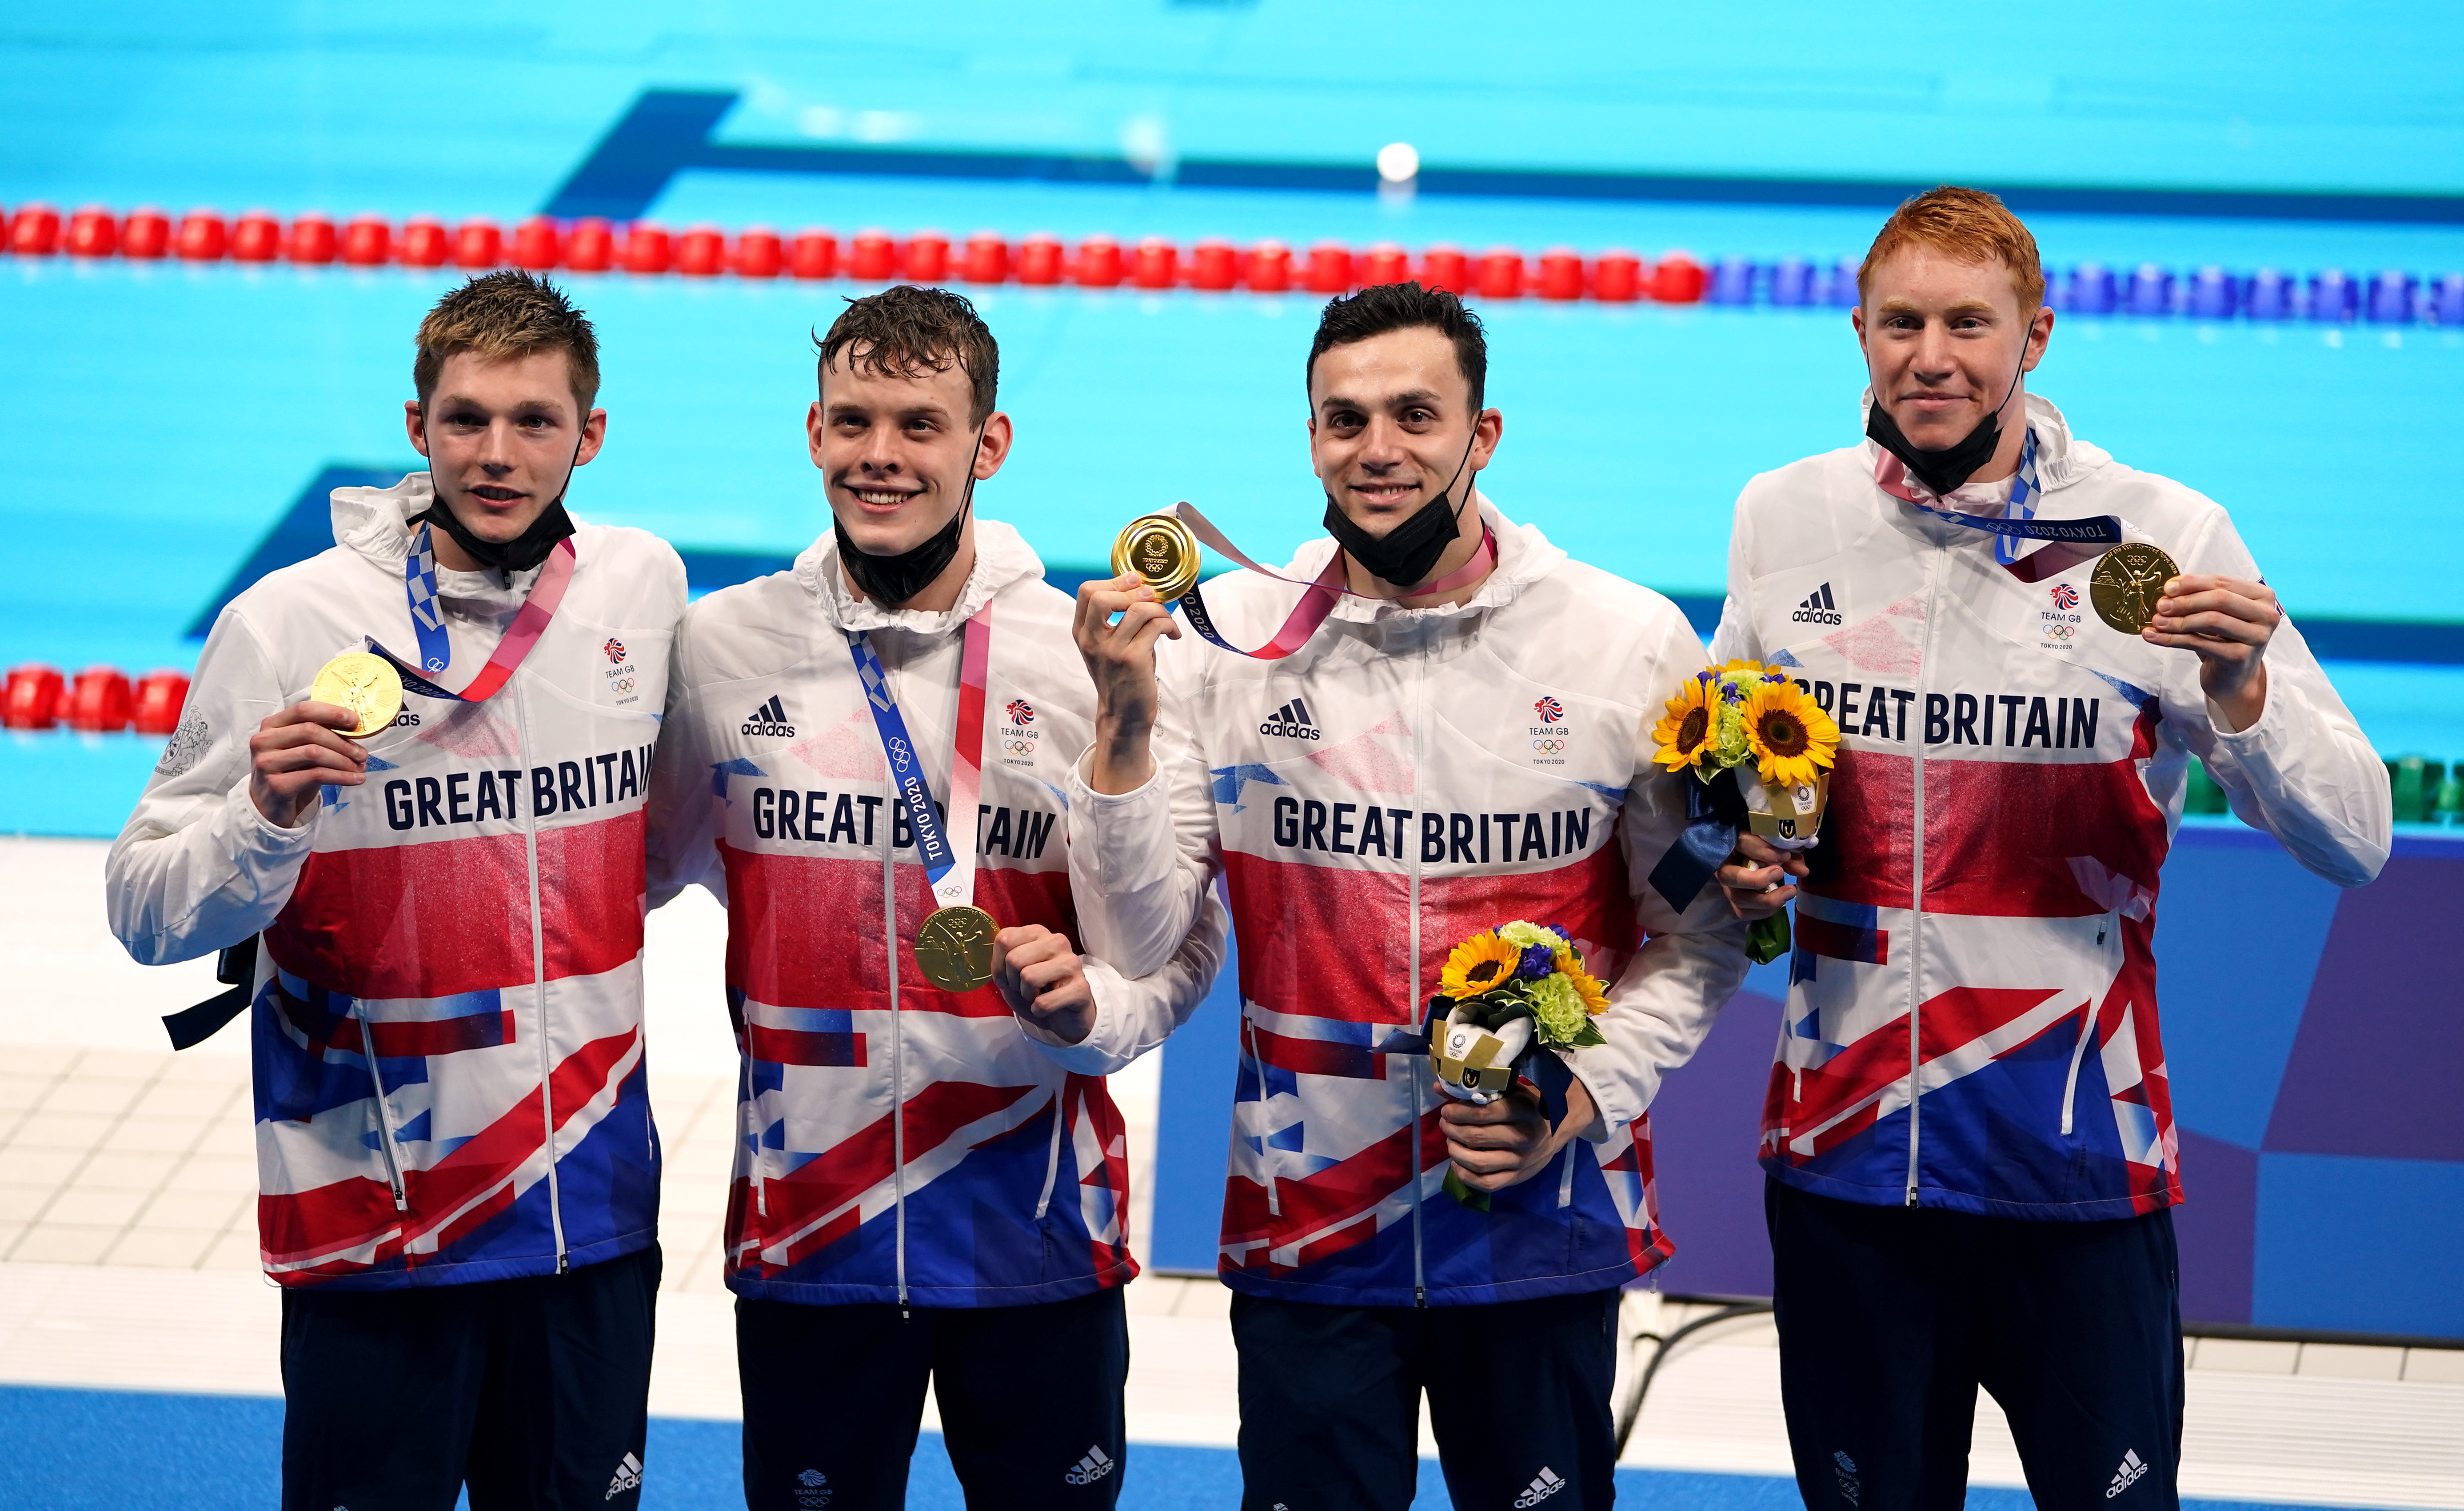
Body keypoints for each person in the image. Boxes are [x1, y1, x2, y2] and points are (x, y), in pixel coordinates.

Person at [1709, 187, 2391, 1510]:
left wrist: (2241, 696)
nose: (1932, 356)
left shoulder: (2163, 535)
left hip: (2076, 1162)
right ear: (1855, 330)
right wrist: (1735, 850)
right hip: (1847, 1157)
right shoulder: (1781, 518)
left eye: (1970, 323)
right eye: (1900, 321)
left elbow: (2356, 838)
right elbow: (1730, 767)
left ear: (2036, 338)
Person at [1066, 281, 1750, 1511]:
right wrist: (1122, 724)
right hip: (1307, 1222)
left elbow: (1697, 936)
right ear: (1311, 437)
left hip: (1536, 1217)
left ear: (1481, 436)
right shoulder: (1224, 644)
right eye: (1343, 420)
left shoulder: (1622, 642)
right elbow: (1142, 935)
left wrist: (1583, 1089)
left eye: (1414, 415)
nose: (1376, 449)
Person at [105, 270, 687, 1510]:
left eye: (535, 422)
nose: (497, 453)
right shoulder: (288, 622)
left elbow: (680, 837)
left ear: (590, 435)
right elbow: (147, 910)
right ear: (416, 428)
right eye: (466, 419)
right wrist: (262, 817)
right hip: (377, 1216)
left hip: (588, 1206)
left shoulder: (641, 588)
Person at [643, 284, 1224, 1511]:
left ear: (987, 445)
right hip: (812, 1223)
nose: (881, 457)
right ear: (812, 434)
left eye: (920, 424)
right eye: (853, 423)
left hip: (1036, 1224)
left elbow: (1157, 944)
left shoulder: (1087, 651)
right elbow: (624, 868)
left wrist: (1123, 718)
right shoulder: (723, 647)